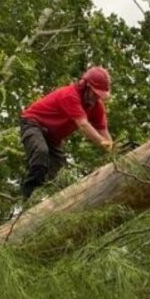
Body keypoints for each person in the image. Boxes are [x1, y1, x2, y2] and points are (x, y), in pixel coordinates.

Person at [19, 67, 113, 200]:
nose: (97, 97)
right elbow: (83, 124)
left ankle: (49, 201)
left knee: (60, 174)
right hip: (34, 124)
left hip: (53, 137)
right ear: (85, 85)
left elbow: (103, 131)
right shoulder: (70, 95)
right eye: (95, 93)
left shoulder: (96, 106)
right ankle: (28, 197)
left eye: (100, 95)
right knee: (41, 153)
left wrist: (113, 150)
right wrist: (104, 144)